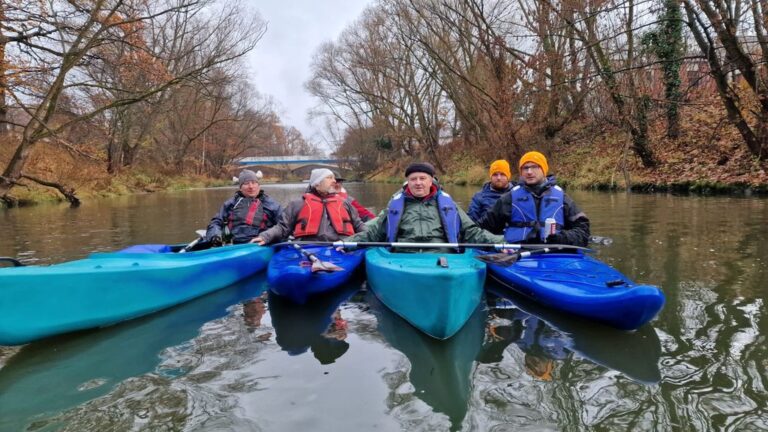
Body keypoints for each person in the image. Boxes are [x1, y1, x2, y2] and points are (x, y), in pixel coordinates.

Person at [345, 162, 503, 250]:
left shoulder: (449, 205)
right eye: (413, 179)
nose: (418, 183)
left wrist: (501, 242)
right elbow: (373, 231)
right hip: (403, 258)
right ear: (408, 182)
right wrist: (347, 243)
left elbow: (471, 232)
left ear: (431, 180)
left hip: (442, 257)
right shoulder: (395, 205)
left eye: (422, 178)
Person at [478, 151, 590, 246]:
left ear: (543, 170)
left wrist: (562, 238)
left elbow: (583, 231)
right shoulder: (509, 198)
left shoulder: (562, 197)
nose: (529, 172)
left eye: (535, 167)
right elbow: (482, 228)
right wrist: (499, 243)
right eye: (525, 168)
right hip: (517, 253)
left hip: (554, 253)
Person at [254, 168, 366, 244]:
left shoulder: (345, 203)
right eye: (329, 178)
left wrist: (372, 235)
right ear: (317, 183)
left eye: (333, 178)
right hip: (308, 247)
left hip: (341, 247)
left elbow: (359, 225)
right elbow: (282, 227)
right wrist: (265, 236)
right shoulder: (297, 204)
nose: (334, 181)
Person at [205, 169, 282, 245]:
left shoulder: (271, 204)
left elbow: (283, 226)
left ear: (259, 186)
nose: (251, 186)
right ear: (240, 188)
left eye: (254, 182)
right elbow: (216, 222)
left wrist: (267, 237)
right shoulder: (230, 204)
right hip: (232, 245)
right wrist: (215, 235)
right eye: (246, 183)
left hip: (260, 244)